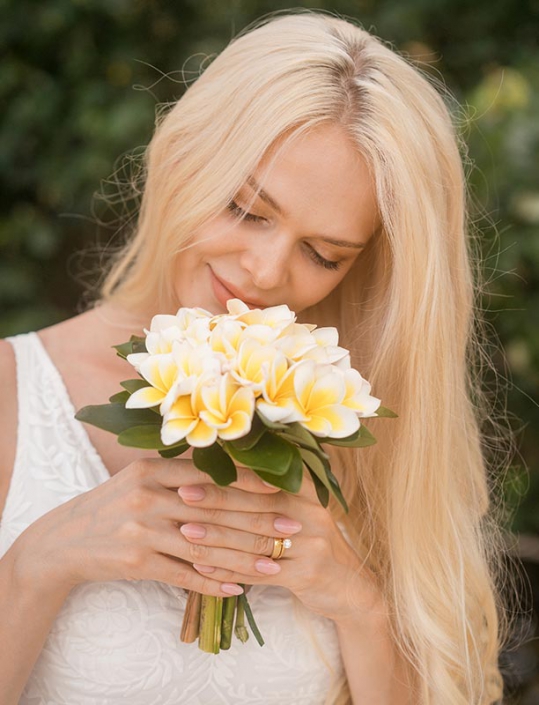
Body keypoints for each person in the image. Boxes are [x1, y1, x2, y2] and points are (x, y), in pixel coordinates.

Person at [0, 9, 515, 705]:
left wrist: (355, 604)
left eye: (322, 253)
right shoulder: (16, 394)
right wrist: (36, 564)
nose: (266, 272)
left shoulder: (369, 432)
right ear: (184, 158)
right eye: (246, 209)